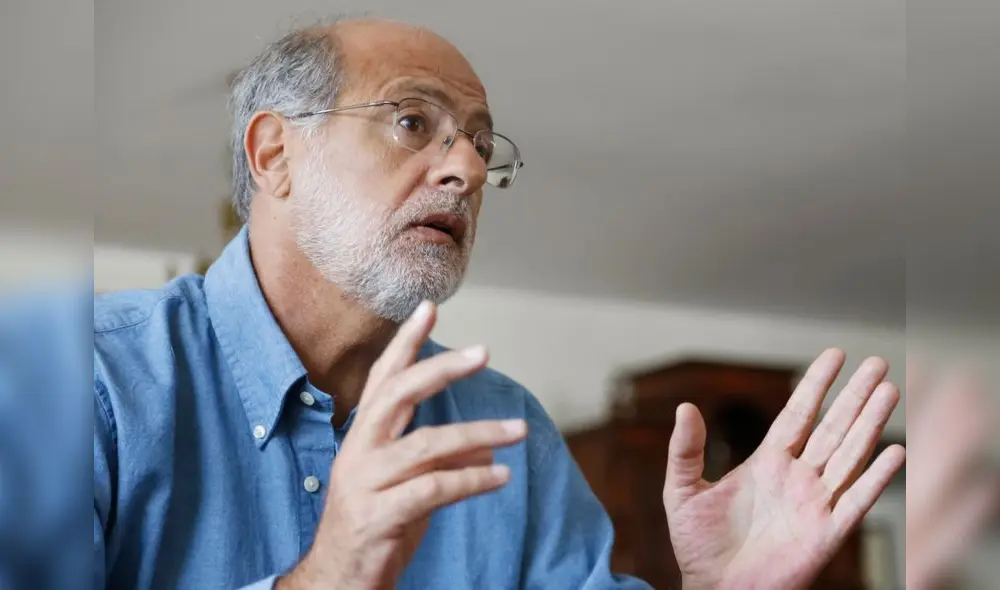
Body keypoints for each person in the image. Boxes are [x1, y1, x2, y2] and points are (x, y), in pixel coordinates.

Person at [93, 18, 905, 590]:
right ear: (275, 155)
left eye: (481, 143)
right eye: (414, 121)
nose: (468, 172)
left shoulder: (510, 433)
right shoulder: (84, 382)